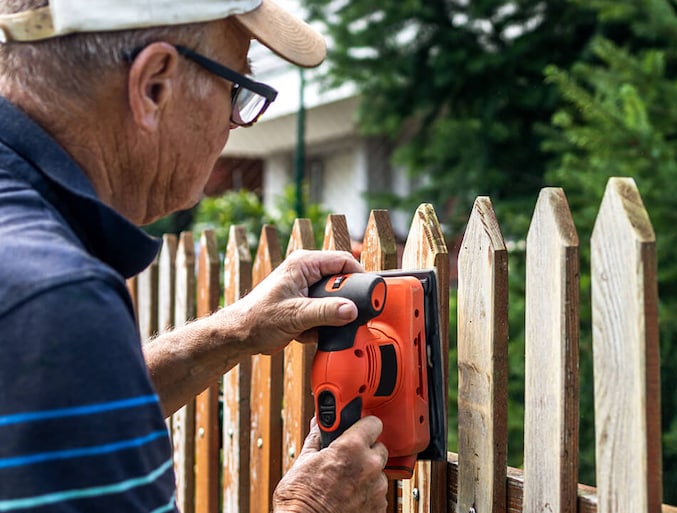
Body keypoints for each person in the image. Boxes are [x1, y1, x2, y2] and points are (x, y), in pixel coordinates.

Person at [0, 1, 389, 511]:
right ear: (155, 85)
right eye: (236, 89)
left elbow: (59, 409)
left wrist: (236, 331)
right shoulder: (54, 299)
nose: (237, 124)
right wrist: (311, 506)